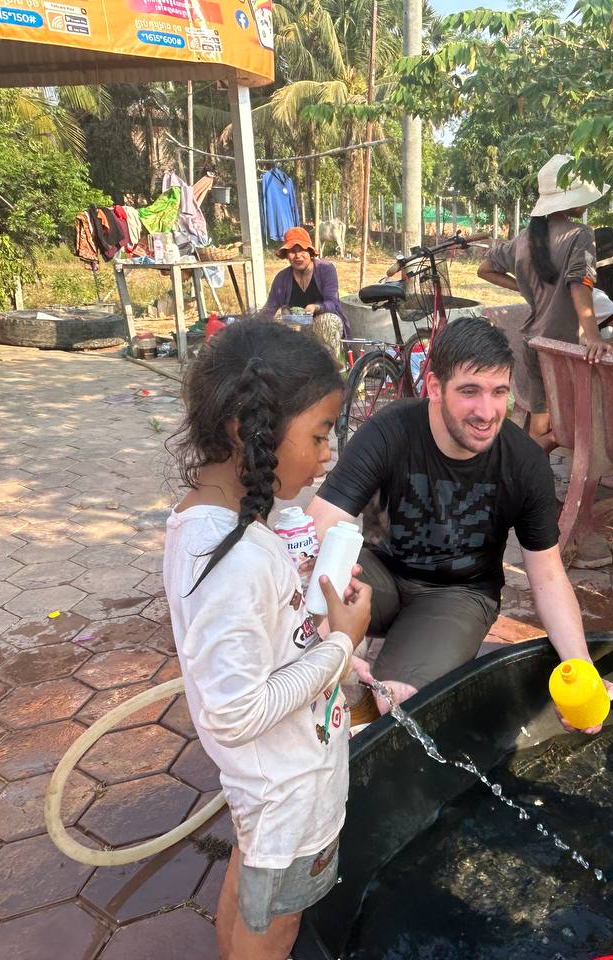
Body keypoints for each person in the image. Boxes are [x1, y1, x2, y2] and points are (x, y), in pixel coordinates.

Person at [163, 322, 373, 960]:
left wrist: (308, 580)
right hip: (285, 785)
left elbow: (256, 627)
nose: (329, 455)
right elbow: (235, 712)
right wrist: (341, 646)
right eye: (318, 434)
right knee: (276, 926)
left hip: (276, 784)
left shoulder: (229, 527)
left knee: (254, 883)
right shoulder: (230, 557)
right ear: (244, 430)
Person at [305, 316, 613, 720]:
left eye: (499, 392)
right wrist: (328, 636)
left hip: (458, 593)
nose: (486, 412)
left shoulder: (524, 463)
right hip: (379, 571)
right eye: (470, 391)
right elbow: (319, 525)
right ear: (434, 386)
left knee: (396, 702)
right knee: (320, 632)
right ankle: (337, 723)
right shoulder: (389, 432)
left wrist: (581, 664)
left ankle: (372, 708)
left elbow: (548, 575)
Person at [477, 153, 612, 451]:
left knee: (541, 423)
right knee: (572, 429)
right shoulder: (580, 235)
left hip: (534, 344)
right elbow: (580, 286)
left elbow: (484, 269)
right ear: (571, 199)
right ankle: (526, 472)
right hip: (562, 348)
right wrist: (593, 337)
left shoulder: (525, 238)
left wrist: (524, 288)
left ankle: (522, 476)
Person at [254, 226, 347, 367]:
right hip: (296, 324)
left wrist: (316, 307)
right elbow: (270, 309)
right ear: (286, 255)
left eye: (302, 250)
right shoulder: (282, 278)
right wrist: (249, 325)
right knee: (277, 321)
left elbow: (333, 304)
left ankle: (329, 373)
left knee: (328, 320)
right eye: (292, 251)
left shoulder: (326, 269)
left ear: (310, 251)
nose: (297, 256)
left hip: (321, 323)